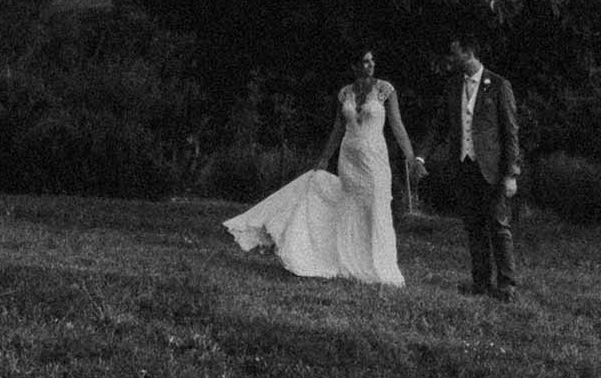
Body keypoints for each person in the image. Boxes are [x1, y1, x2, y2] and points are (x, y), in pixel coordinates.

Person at [222, 49, 422, 286]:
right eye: (365, 62)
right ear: (354, 66)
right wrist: (324, 158)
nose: (370, 65)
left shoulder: (385, 90)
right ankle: (349, 260)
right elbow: (338, 128)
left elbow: (397, 125)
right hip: (349, 159)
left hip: (374, 159)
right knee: (350, 207)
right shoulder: (344, 93)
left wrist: (411, 157)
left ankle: (380, 265)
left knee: (376, 206)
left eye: (372, 61)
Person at [426, 34, 521, 300]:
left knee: (499, 225)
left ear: (469, 53)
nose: (451, 58)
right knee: (474, 226)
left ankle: (507, 285)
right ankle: (480, 283)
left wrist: (512, 173)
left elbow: (511, 132)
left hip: (491, 169)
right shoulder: (453, 86)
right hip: (464, 166)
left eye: (455, 53)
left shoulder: (499, 85)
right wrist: (422, 157)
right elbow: (440, 125)